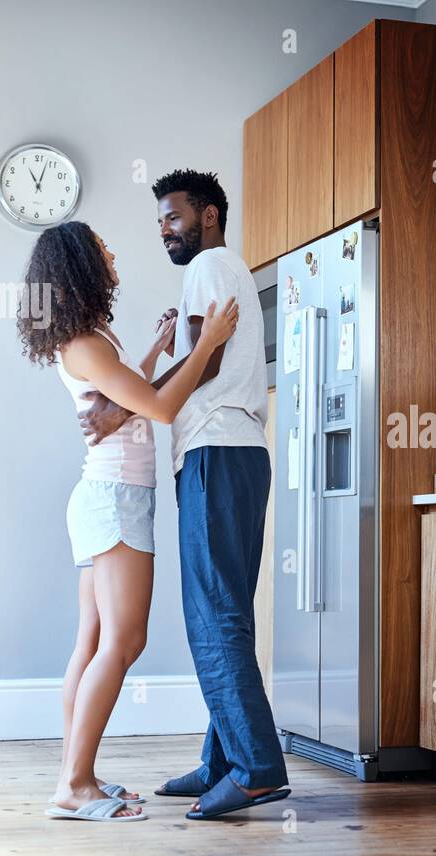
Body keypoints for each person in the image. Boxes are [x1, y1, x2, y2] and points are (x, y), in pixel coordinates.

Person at [78, 170, 290, 820]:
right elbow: (205, 356)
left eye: (173, 216)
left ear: (209, 213)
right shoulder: (223, 267)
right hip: (235, 453)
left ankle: (255, 769)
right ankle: (222, 758)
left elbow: (210, 363)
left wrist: (117, 410)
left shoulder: (208, 266)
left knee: (213, 615)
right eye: (160, 221)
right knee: (224, 610)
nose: (165, 229)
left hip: (216, 453)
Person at [15, 220, 237, 822]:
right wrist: (207, 345)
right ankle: (74, 785)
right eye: (101, 249)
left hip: (106, 494)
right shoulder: (84, 343)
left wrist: (157, 351)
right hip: (115, 498)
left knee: (91, 642)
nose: (112, 252)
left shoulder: (92, 335)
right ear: (79, 266)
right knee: (123, 639)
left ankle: (76, 774)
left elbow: (123, 398)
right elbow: (160, 408)